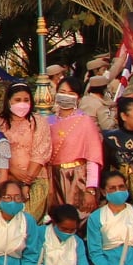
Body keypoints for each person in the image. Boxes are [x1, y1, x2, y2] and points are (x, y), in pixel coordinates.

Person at [48, 85, 104, 214]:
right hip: (54, 178)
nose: (66, 96)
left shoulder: (85, 121)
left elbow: (93, 158)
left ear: (78, 98)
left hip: (78, 179)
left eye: (71, 93)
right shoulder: (48, 121)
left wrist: (90, 189)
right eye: (62, 92)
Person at [0, 84, 53, 219]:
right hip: (6, 177)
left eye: (26, 100)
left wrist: (26, 183)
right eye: (17, 100)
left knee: (28, 219)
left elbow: (40, 153)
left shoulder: (38, 122)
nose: (22, 103)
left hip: (35, 178)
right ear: (8, 101)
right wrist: (12, 169)